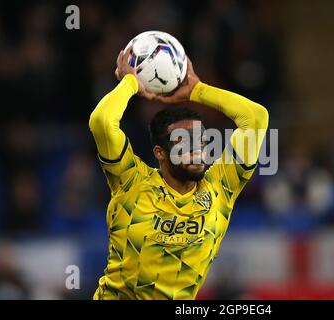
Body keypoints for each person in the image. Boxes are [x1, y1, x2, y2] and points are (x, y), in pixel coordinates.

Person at [89, 47, 268, 299]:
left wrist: (197, 91)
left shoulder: (221, 186)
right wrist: (131, 81)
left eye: (202, 141)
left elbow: (256, 118)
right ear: (160, 152)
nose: (197, 150)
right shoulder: (131, 181)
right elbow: (102, 121)